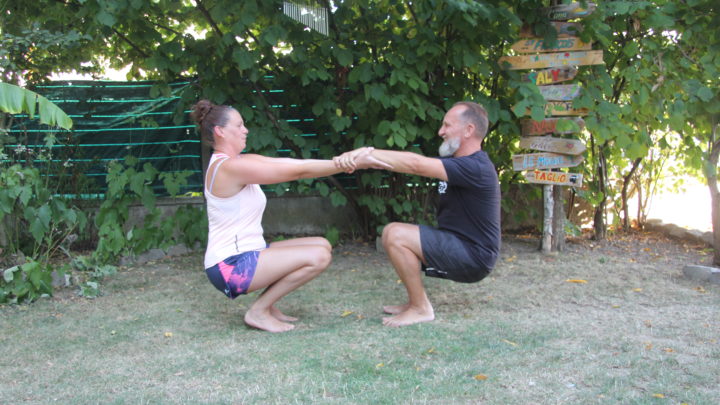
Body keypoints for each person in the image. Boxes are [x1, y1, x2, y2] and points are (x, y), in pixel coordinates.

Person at [190, 99, 388, 333]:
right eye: (240, 125)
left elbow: (289, 163)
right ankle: (259, 311)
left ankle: (268, 305)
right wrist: (346, 163)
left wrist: (342, 161)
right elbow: (297, 171)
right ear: (220, 131)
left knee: (322, 244)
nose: (246, 130)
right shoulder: (229, 168)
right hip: (230, 267)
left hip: (249, 252)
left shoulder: (238, 162)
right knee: (318, 257)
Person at [335, 101, 501, 327]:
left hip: (474, 256)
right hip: (460, 246)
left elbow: (415, 164)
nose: (440, 131)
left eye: (446, 125)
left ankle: (421, 308)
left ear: (469, 130)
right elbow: (407, 163)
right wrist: (368, 162)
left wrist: (367, 152)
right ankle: (415, 303)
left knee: (395, 234)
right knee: (391, 234)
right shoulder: (456, 164)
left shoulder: (476, 167)